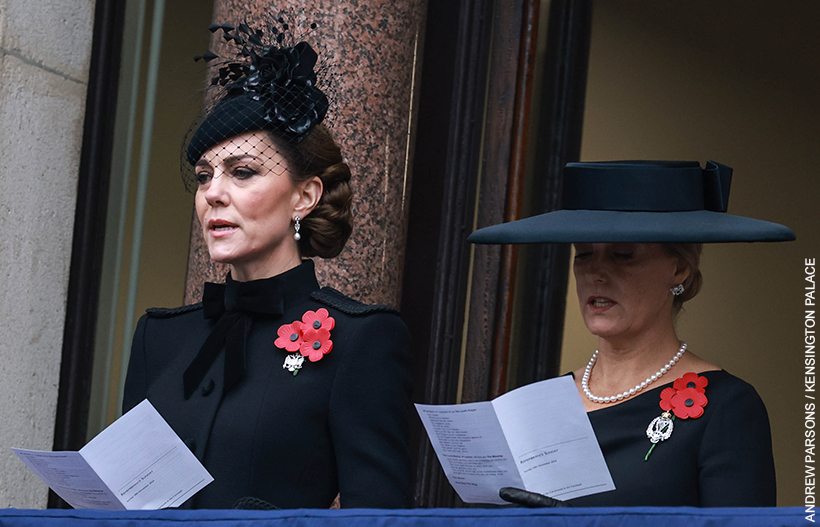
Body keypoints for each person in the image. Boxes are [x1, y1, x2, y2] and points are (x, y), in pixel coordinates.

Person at [122, 21, 412, 509]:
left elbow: (377, 518)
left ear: (304, 195)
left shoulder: (362, 339)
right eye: (204, 176)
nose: (213, 192)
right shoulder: (159, 338)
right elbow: (126, 496)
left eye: (242, 172)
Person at [468, 160, 794, 506]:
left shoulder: (726, 407)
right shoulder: (536, 406)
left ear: (679, 268)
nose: (596, 273)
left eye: (623, 255)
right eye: (584, 255)